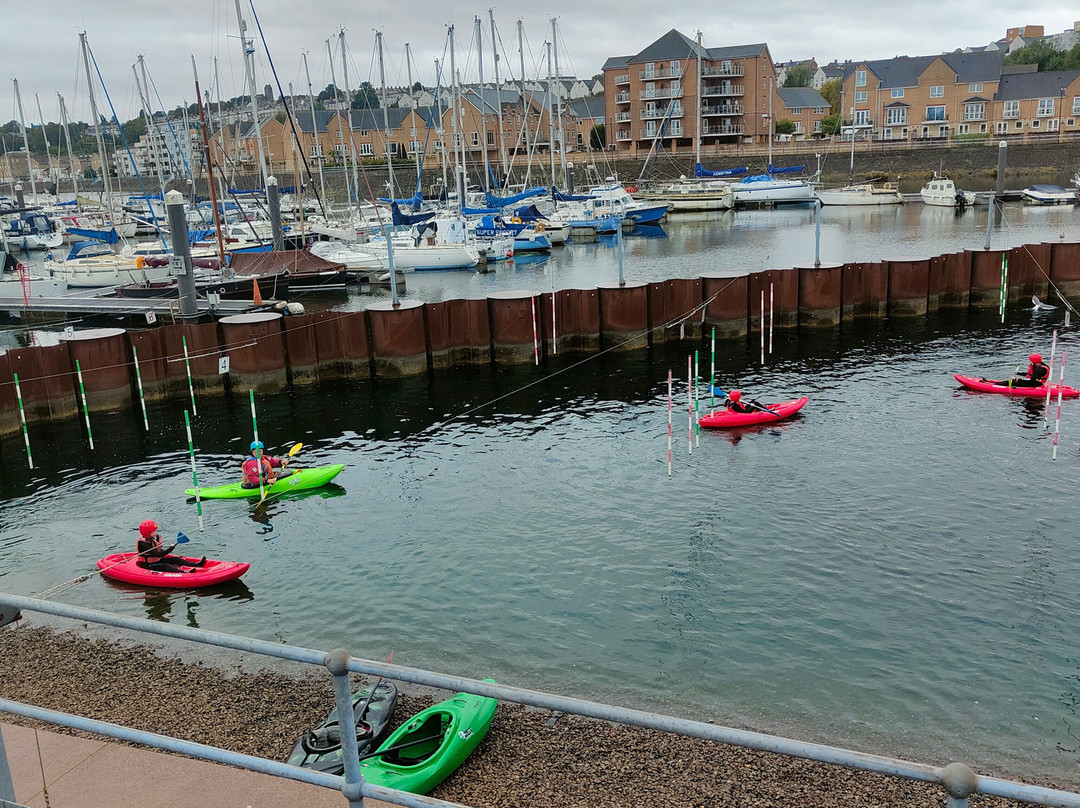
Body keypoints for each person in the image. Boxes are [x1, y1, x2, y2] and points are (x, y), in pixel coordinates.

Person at [136, 520, 204, 573]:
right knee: (166, 566)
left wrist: (167, 550)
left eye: (155, 531)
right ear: (147, 533)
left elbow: (159, 551)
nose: (156, 533)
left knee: (175, 559)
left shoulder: (152, 539)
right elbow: (159, 554)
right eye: (153, 532)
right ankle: (184, 573)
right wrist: (171, 548)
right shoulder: (143, 544)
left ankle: (196, 565)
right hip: (149, 565)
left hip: (157, 560)